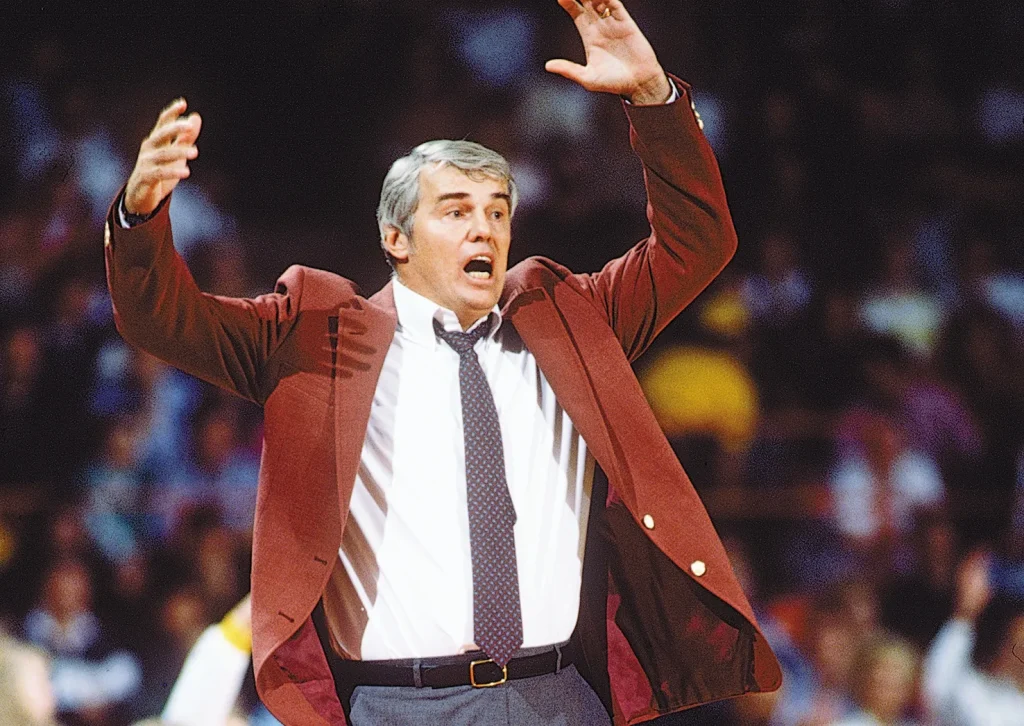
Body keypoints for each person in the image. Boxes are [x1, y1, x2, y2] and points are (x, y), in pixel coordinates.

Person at [104, 0, 781, 723]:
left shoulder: (566, 317)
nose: (483, 227)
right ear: (396, 238)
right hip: (399, 703)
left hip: (560, 696)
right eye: (455, 209)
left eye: (497, 210)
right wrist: (139, 216)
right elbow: (163, 320)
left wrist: (654, 101)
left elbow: (696, 244)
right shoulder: (316, 335)